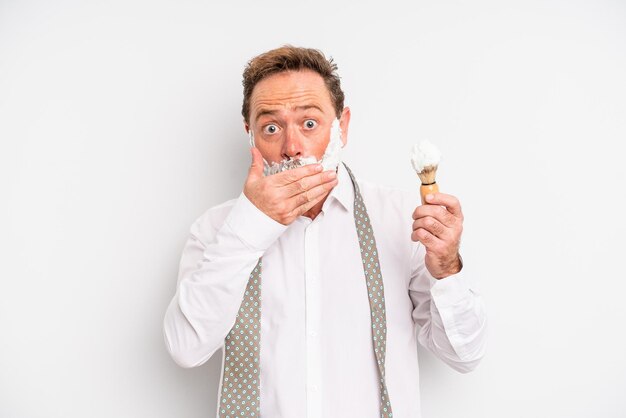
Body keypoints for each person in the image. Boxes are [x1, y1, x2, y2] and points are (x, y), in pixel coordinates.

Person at [163, 45, 487, 418]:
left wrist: (447, 268)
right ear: (249, 134)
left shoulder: (401, 220)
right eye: (271, 127)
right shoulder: (218, 230)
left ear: (342, 126)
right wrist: (250, 226)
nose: (291, 148)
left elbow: (464, 355)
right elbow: (186, 347)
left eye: (309, 124)